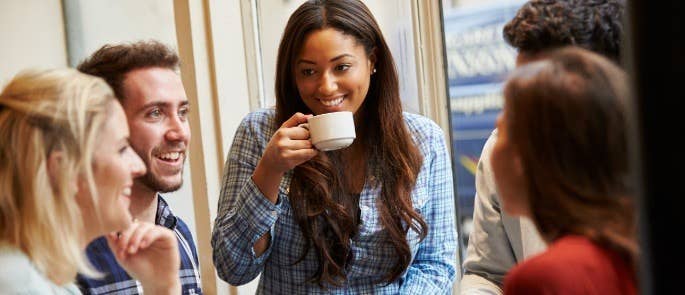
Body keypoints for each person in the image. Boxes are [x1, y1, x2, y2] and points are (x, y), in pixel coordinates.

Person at [211, 0, 457, 293]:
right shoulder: (260, 132)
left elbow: (436, 265)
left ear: (372, 60)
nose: (326, 87)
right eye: (308, 72)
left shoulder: (423, 139)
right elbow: (232, 268)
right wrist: (270, 171)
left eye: (342, 67)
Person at [461, 0, 626, 293]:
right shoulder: (501, 148)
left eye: (542, 105)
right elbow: (485, 274)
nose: (505, 126)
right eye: (517, 105)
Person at [0, 69, 181, 294]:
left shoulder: (48, 280)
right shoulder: (17, 283)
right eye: (122, 149)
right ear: (64, 169)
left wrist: (162, 287)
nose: (139, 167)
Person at [491, 46, 637, 294]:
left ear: (528, 156)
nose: (493, 147)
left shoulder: (542, 278)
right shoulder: (632, 249)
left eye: (501, 129)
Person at [75, 41, 203, 294]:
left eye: (183, 112)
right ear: (110, 127)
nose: (179, 132)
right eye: (155, 113)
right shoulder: (70, 256)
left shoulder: (180, 235)